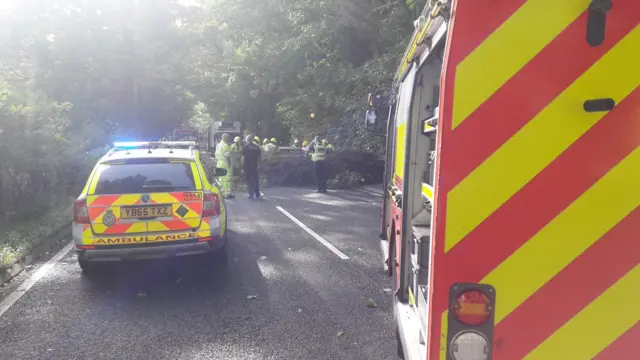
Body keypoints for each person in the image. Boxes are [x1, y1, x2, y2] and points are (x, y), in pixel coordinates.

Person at [215, 133, 235, 198]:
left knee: (221, 179)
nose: (229, 139)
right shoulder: (225, 145)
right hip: (225, 163)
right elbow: (227, 156)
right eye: (228, 137)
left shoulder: (218, 145)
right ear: (225, 138)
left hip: (219, 163)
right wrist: (230, 164)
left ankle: (222, 193)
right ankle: (227, 193)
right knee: (227, 179)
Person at [243, 134, 262, 199]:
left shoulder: (245, 147)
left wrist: (242, 166)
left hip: (247, 167)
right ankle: (257, 194)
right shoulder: (257, 147)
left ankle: (251, 194)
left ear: (247, 140)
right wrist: (260, 165)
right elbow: (259, 157)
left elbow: (243, 158)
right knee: (256, 180)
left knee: (249, 180)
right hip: (255, 166)